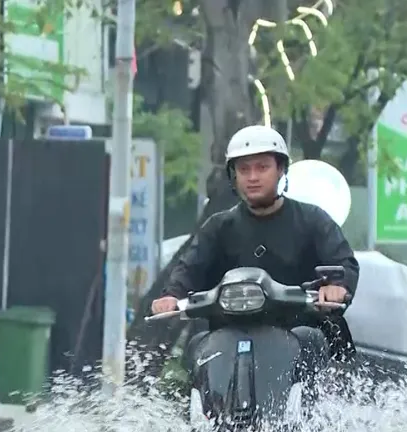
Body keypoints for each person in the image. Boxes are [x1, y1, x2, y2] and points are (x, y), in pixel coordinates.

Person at [150, 124, 360, 370]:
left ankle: (323, 406)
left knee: (313, 340)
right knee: (197, 346)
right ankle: (203, 409)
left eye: (262, 167)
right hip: (230, 333)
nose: (252, 177)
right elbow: (190, 267)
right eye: (244, 169)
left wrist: (337, 286)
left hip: (298, 330)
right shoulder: (219, 226)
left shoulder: (313, 220)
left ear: (281, 169)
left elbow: (343, 262)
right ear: (234, 175)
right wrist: (171, 295)